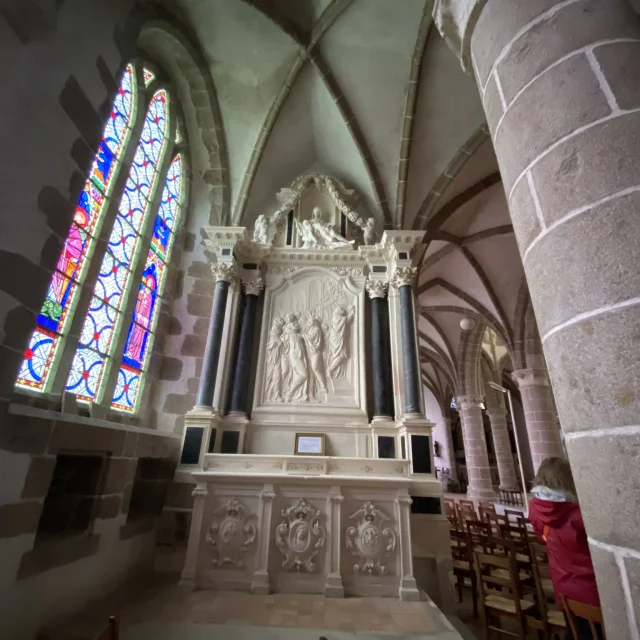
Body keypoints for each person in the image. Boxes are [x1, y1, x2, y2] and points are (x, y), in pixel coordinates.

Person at [527, 457, 603, 640]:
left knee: (576, 631)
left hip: (563, 584)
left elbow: (543, 537)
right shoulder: (579, 514)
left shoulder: (534, 509)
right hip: (591, 588)